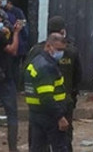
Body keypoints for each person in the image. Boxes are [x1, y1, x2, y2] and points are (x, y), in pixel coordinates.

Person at [26, 16, 81, 152]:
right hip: (58, 106)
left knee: (37, 144)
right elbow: (78, 78)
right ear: (63, 31)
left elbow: (25, 77)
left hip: (37, 109)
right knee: (62, 143)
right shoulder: (70, 51)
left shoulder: (35, 52)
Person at [25, 33, 68, 152]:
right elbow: (46, 97)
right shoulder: (47, 67)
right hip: (50, 116)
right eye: (59, 49)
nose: (61, 53)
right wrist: (60, 117)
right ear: (48, 46)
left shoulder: (36, 61)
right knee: (59, 147)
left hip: (36, 114)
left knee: (38, 148)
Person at [0, 17, 22, 151]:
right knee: (12, 115)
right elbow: (13, 50)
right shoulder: (1, 36)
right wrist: (16, 33)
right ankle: (13, 148)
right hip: (5, 80)